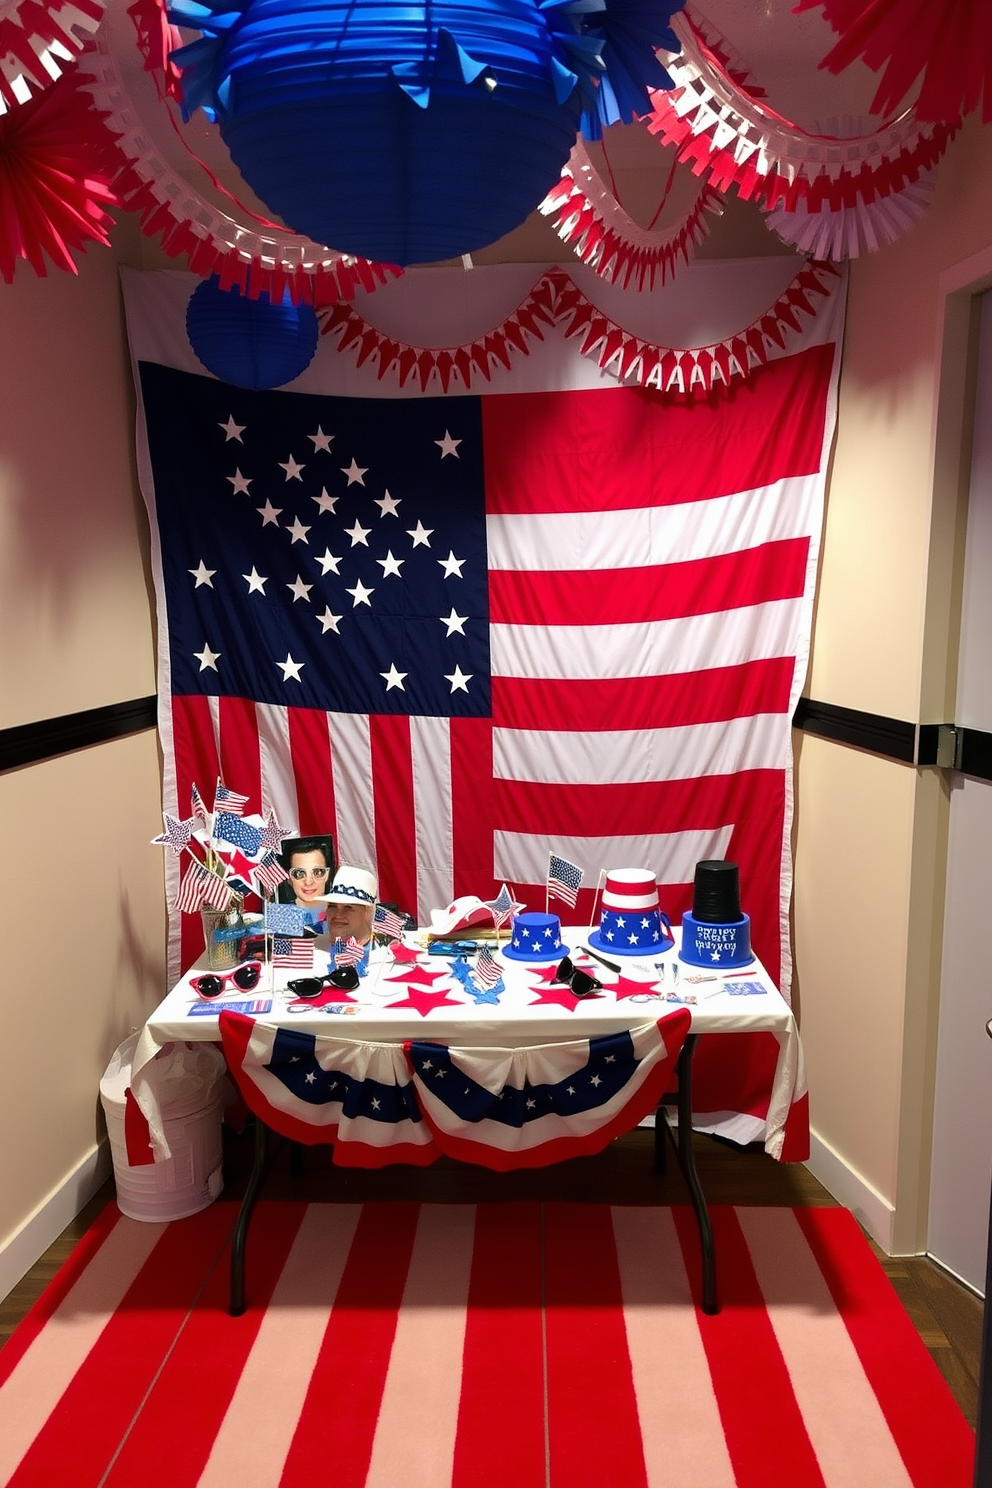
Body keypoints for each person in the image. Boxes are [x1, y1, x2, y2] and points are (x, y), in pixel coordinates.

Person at [278, 835, 336, 931]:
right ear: (288, 878)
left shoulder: (342, 914)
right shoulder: (280, 917)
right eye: (299, 873)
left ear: (327, 874)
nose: (308, 882)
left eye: (318, 872)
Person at [317, 865, 378, 945]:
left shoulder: (388, 956)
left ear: (367, 910)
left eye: (348, 907)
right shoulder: (311, 950)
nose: (338, 914)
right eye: (332, 906)